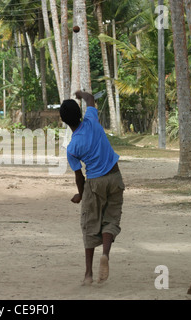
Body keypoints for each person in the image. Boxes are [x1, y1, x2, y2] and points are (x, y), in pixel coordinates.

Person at [60, 90, 125, 285]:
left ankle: (88, 274)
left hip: (95, 183)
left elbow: (79, 177)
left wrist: (81, 195)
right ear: (80, 114)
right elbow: (90, 99)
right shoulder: (91, 119)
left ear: (64, 120)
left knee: (89, 225)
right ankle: (105, 254)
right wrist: (81, 94)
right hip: (115, 176)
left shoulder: (72, 147)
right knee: (111, 220)